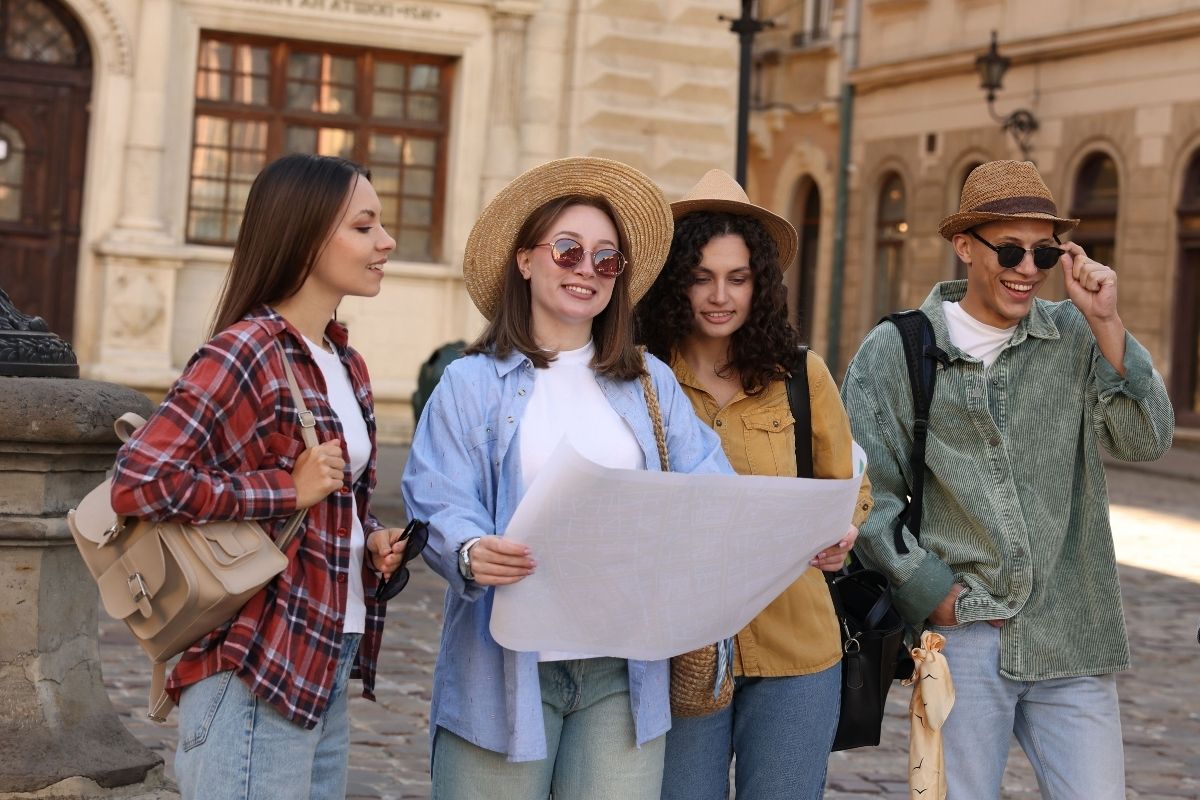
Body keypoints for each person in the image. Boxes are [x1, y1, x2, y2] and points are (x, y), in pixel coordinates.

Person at [400, 156, 734, 800]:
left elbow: (707, 486)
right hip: (501, 669)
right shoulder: (470, 383)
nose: (587, 270)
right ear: (525, 260)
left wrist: (796, 534)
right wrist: (471, 550)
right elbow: (435, 496)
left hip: (624, 671)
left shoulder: (648, 383)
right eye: (569, 250)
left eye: (606, 259)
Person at [842, 160, 1174, 799]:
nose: (1028, 269)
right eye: (1012, 249)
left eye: (1044, 252)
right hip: (964, 638)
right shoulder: (897, 349)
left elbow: (1148, 438)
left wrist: (1107, 321)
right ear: (965, 246)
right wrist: (931, 591)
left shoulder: (1075, 336)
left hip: (1073, 635)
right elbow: (864, 492)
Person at [110, 153, 411, 800]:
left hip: (326, 651)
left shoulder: (344, 360)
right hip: (252, 662)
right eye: (364, 227)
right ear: (304, 236)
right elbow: (139, 481)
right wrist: (286, 490)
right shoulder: (245, 350)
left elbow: (333, 497)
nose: (385, 242)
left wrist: (371, 540)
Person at [635, 169, 874, 800]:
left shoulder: (800, 374)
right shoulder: (639, 377)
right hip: (683, 649)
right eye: (702, 277)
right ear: (673, 280)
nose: (720, 296)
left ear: (759, 283)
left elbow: (849, 483)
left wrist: (843, 531)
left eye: (737, 278)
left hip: (797, 645)